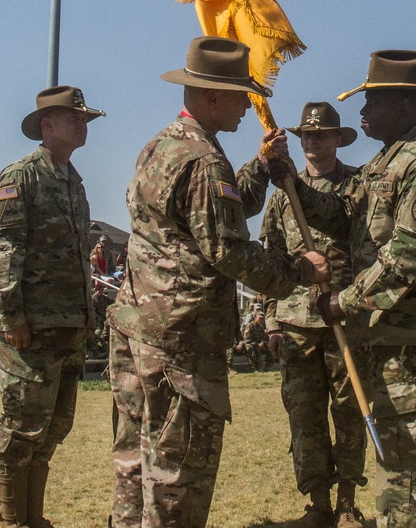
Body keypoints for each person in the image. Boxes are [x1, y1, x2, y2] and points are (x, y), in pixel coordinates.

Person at [107, 36, 330, 528]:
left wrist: (260, 168)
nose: (250, 107)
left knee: (135, 472)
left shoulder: (162, 145)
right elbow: (226, 247)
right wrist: (299, 270)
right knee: (176, 481)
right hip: (181, 342)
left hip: (138, 327)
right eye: (240, 95)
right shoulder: (205, 160)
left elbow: (214, 215)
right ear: (211, 97)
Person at [276, 50, 416, 528]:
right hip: (393, 340)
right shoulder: (386, 163)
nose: (361, 112)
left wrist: (343, 301)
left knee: (408, 482)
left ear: (403, 105)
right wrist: (292, 185)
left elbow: (405, 257)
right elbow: (343, 217)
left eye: (372, 101)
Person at [0, 85, 105, 528]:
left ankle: (35, 519)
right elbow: (1, 252)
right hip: (29, 329)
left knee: (51, 429)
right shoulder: (20, 178)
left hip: (67, 326)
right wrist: (12, 317)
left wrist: (87, 319)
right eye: (75, 118)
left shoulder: (72, 181)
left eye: (85, 119)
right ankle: (13, 521)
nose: (82, 125)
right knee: (20, 428)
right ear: (46, 125)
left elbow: (78, 256)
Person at [261, 101, 367, 527]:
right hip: (295, 322)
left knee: (349, 410)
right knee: (304, 416)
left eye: (320, 134)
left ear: (338, 139)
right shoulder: (282, 195)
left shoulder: (357, 186)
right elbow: (268, 258)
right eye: (305, 135)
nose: (311, 141)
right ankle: (318, 503)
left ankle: (346, 504)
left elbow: (358, 237)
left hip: (343, 317)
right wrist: (269, 318)